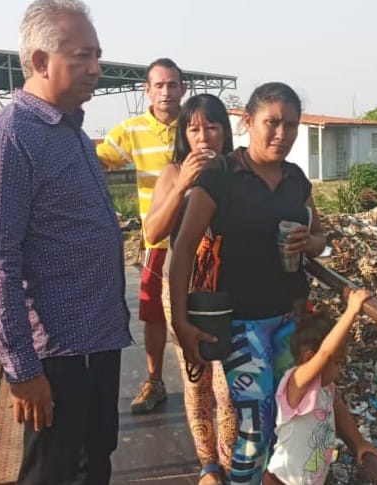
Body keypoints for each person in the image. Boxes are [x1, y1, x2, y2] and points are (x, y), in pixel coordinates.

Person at [0, 1, 131, 483]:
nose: (96, 69)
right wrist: (22, 369)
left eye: (97, 55)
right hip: (57, 355)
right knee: (54, 472)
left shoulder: (75, 135)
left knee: (95, 458)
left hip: (98, 339)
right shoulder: (9, 139)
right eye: (82, 56)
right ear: (40, 62)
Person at [169, 82, 327, 484]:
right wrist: (181, 323)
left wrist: (309, 242)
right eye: (271, 123)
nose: (282, 135)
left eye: (291, 125)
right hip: (242, 325)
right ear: (248, 122)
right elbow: (184, 249)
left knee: (286, 422)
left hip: (289, 321)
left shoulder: (295, 179)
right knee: (254, 428)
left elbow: (322, 239)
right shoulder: (221, 174)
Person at [145, 93, 237, 485]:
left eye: (212, 127)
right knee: (196, 377)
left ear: (225, 131)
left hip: (231, 291)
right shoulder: (171, 173)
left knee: (229, 384)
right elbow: (153, 232)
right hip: (184, 290)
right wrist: (182, 183)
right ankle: (209, 466)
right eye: (194, 129)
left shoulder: (239, 169)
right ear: (184, 134)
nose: (203, 138)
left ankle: (234, 467)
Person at [97, 57, 187, 414]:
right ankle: (155, 381)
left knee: (202, 310)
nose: (166, 91)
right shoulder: (132, 130)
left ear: (183, 88)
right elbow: (97, 161)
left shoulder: (195, 124)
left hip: (201, 240)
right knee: (153, 314)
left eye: (173, 84)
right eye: (159, 85)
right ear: (147, 90)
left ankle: (210, 382)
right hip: (157, 241)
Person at [264, 289, 377, 485]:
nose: (341, 368)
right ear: (310, 358)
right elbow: (325, 352)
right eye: (338, 361)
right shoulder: (298, 383)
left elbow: (339, 408)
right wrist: (351, 312)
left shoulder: (325, 389)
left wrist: (359, 442)